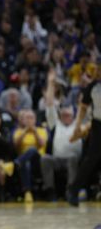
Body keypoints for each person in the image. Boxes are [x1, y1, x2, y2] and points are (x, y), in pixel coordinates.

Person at [41, 69, 81, 201]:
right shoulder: (56, 124)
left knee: (73, 159)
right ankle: (50, 190)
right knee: (45, 158)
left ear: (73, 115)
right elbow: (50, 104)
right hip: (57, 160)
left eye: (68, 114)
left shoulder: (78, 124)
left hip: (74, 159)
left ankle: (71, 190)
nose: (65, 116)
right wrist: (51, 84)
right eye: (63, 114)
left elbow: (85, 105)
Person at [68, 64, 101, 206]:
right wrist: (77, 127)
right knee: (90, 160)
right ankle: (74, 191)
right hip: (98, 126)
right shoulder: (93, 87)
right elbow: (82, 108)